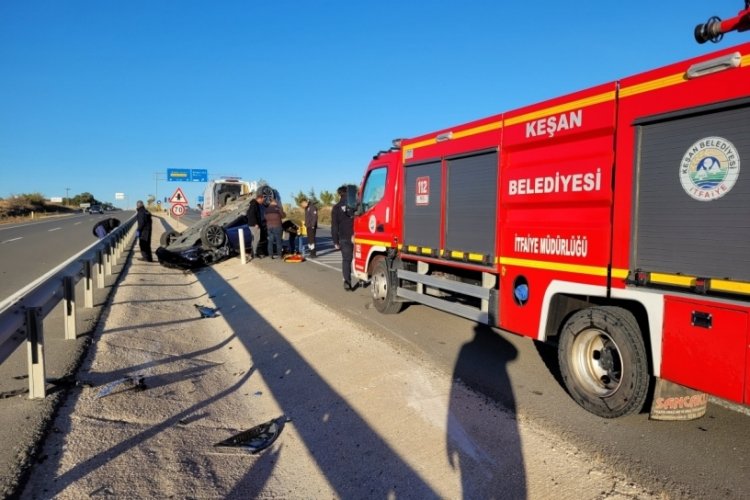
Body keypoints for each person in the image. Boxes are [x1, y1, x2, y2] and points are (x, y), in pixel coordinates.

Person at [332, 185, 355, 290]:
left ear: (339, 194)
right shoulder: (355, 205)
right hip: (358, 236)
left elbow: (334, 226)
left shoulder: (336, 207)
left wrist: (335, 241)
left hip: (344, 237)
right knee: (360, 258)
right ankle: (364, 278)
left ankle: (347, 281)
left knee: (346, 260)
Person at [246, 192, 264, 260]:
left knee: (254, 239)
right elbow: (251, 214)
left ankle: (253, 253)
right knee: (256, 239)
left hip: (252, 224)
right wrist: (256, 223)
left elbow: (249, 214)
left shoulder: (253, 204)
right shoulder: (254, 204)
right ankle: (254, 253)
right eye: (262, 200)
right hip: (254, 225)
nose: (263, 201)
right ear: (259, 198)